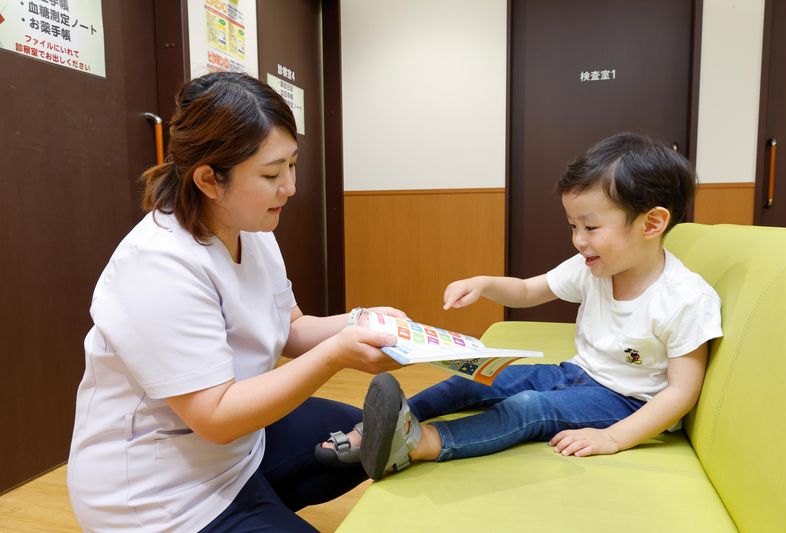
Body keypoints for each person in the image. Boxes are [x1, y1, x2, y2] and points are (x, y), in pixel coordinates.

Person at [67, 71, 403, 531]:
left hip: (239, 445)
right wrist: (336, 355)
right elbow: (216, 417)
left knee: (376, 434)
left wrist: (362, 321)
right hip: (160, 494)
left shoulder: (252, 227)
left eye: (292, 165)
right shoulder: (158, 263)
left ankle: (263, 505)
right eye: (271, 174)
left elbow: (290, 328)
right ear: (209, 179)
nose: (290, 186)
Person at [322, 132, 723, 481]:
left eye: (591, 227)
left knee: (529, 407)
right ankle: (373, 428)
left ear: (651, 224)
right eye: (573, 226)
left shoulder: (686, 298)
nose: (578, 240)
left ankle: (419, 442)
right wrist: (485, 284)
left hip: (626, 401)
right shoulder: (594, 266)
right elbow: (529, 291)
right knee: (474, 378)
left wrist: (613, 437)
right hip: (575, 373)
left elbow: (681, 392)